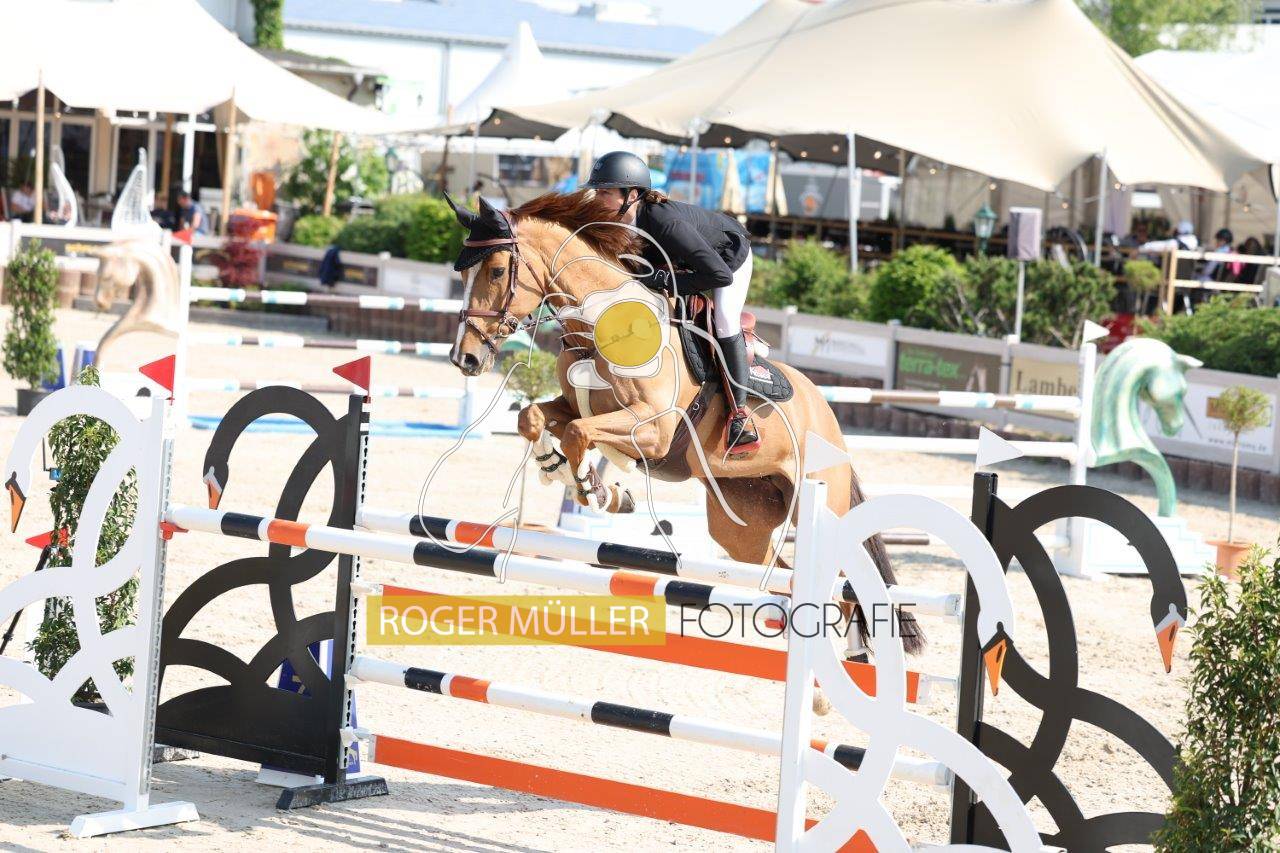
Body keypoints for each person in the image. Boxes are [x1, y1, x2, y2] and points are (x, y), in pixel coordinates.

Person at [583, 150, 760, 454]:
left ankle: (739, 417)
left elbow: (718, 276)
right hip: (686, 263)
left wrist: (663, 280)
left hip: (729, 260)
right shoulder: (617, 222)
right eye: (597, 191)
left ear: (632, 195)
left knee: (724, 320)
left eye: (605, 192)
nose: (597, 198)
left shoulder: (666, 224)